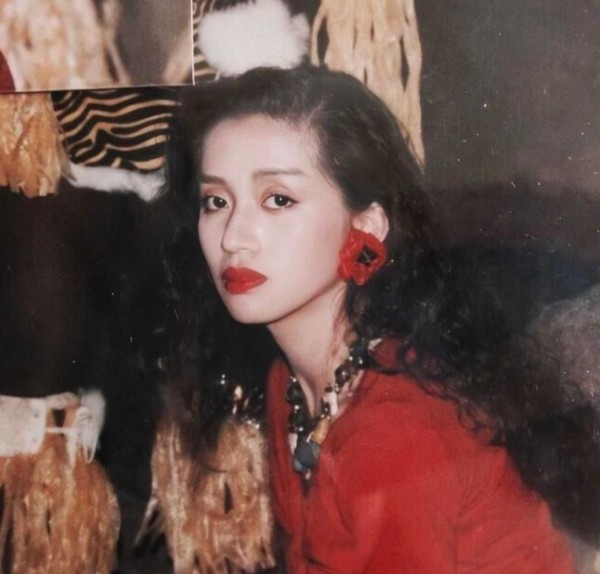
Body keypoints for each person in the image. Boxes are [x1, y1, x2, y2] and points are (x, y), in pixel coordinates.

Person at [160, 65, 600, 573]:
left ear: (364, 227)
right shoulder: (293, 383)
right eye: (216, 201)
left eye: (277, 200)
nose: (233, 236)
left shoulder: (393, 430)